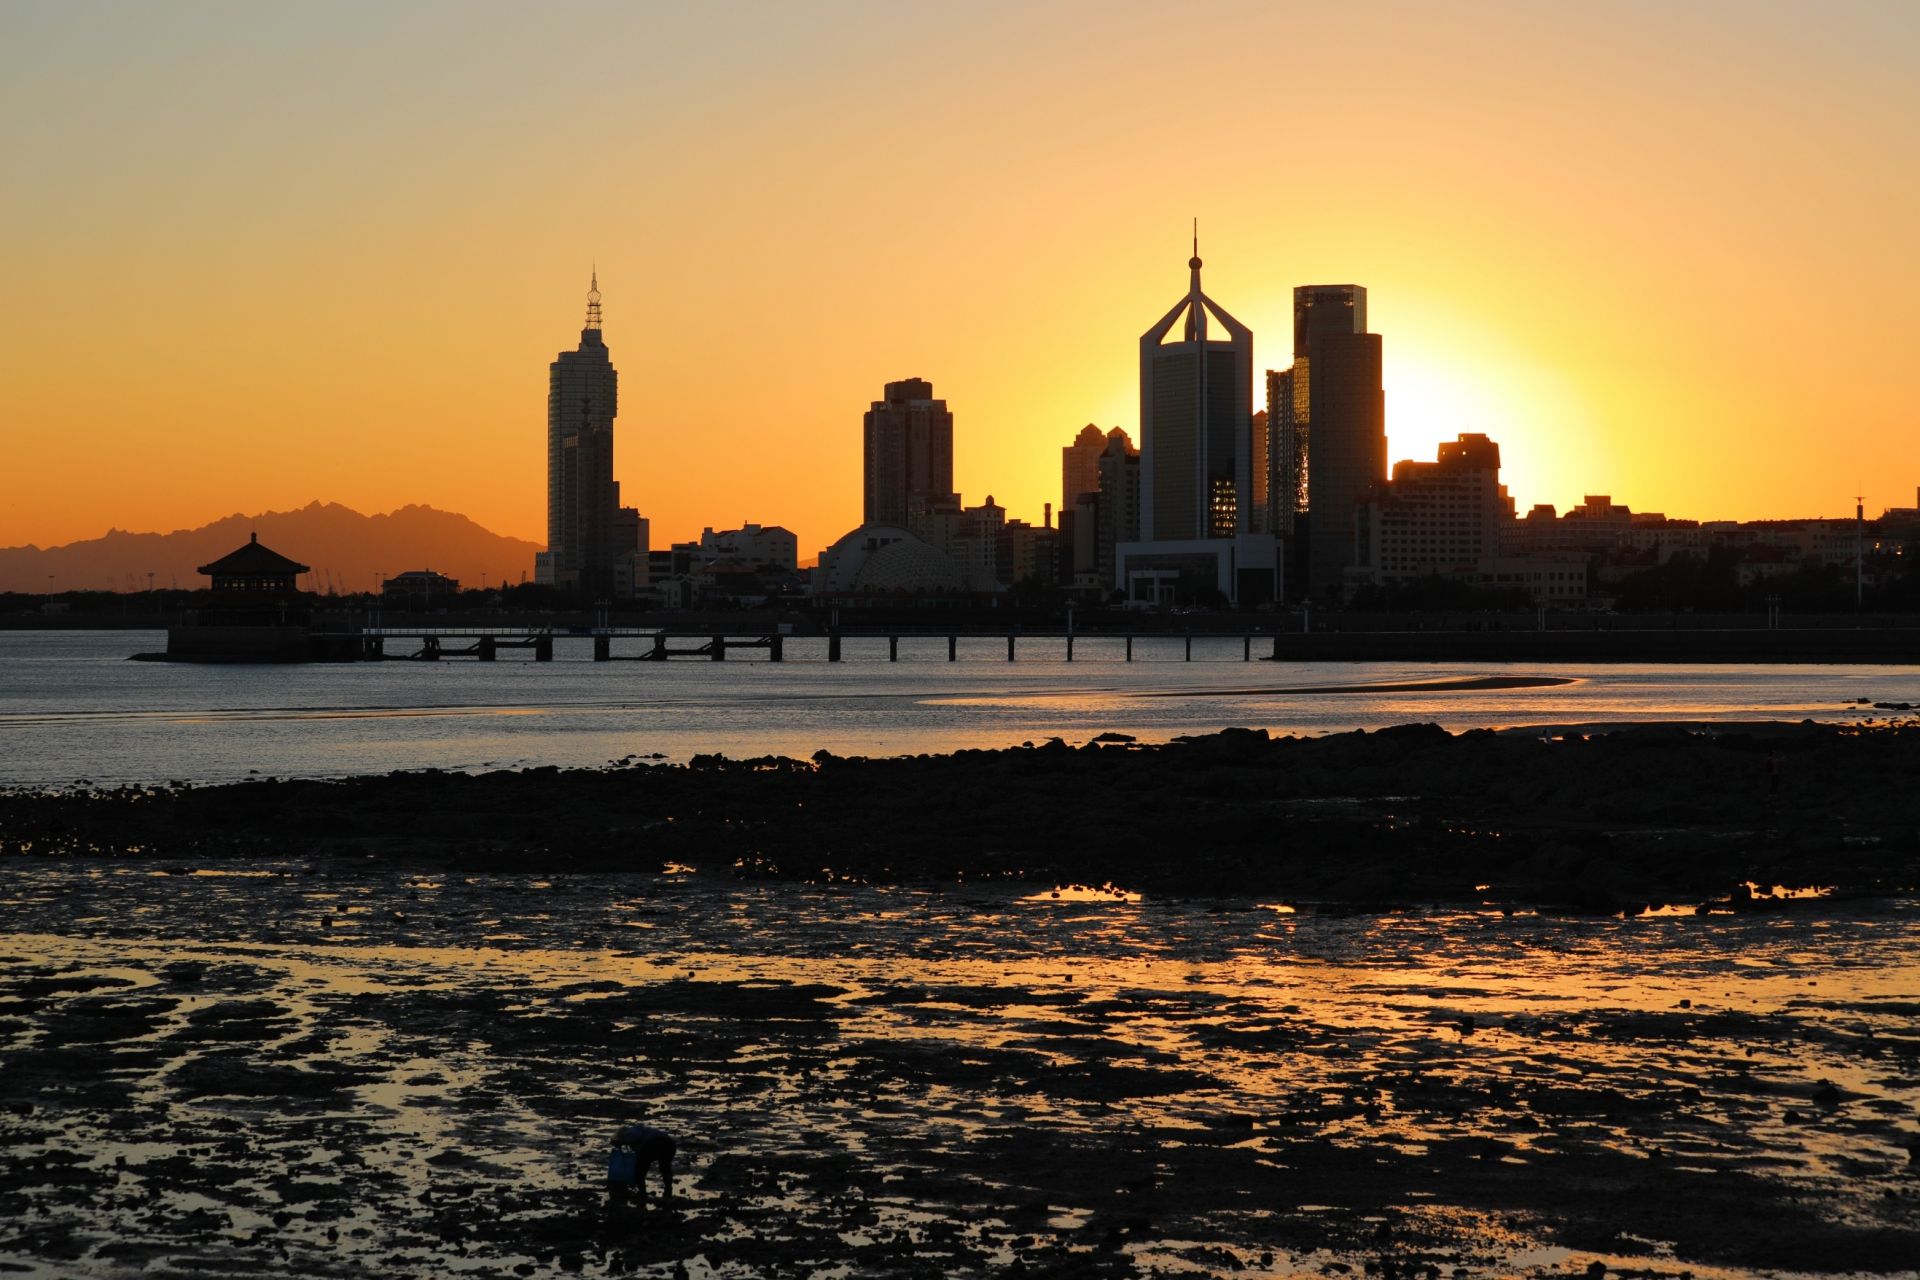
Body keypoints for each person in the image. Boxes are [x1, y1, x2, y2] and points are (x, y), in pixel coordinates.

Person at [608, 1123, 675, 1205]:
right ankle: (668, 1190)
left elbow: (636, 1141)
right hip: (670, 1143)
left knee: (640, 1170)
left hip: (653, 1144)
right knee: (665, 1167)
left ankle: (642, 1193)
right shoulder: (643, 1130)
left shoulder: (630, 1132)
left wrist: (624, 1143)